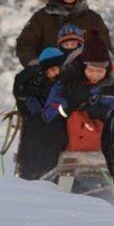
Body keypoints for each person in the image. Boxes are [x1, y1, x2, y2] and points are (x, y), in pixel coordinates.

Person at [15, 0, 111, 68]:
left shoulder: (92, 19)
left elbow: (105, 47)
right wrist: (34, 64)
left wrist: (102, 68)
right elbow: (26, 43)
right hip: (49, 78)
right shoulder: (42, 17)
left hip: (83, 79)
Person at [44, 30, 114, 152]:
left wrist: (104, 112)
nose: (94, 75)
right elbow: (48, 114)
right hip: (68, 147)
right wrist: (68, 106)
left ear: (107, 69)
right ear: (83, 67)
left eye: (99, 71)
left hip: (105, 147)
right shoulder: (66, 84)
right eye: (91, 70)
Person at [12, 47, 68, 179]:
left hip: (58, 124)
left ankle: (54, 178)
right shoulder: (36, 84)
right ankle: (30, 176)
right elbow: (27, 107)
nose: (55, 73)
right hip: (38, 125)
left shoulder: (66, 83)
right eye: (52, 70)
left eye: (57, 69)